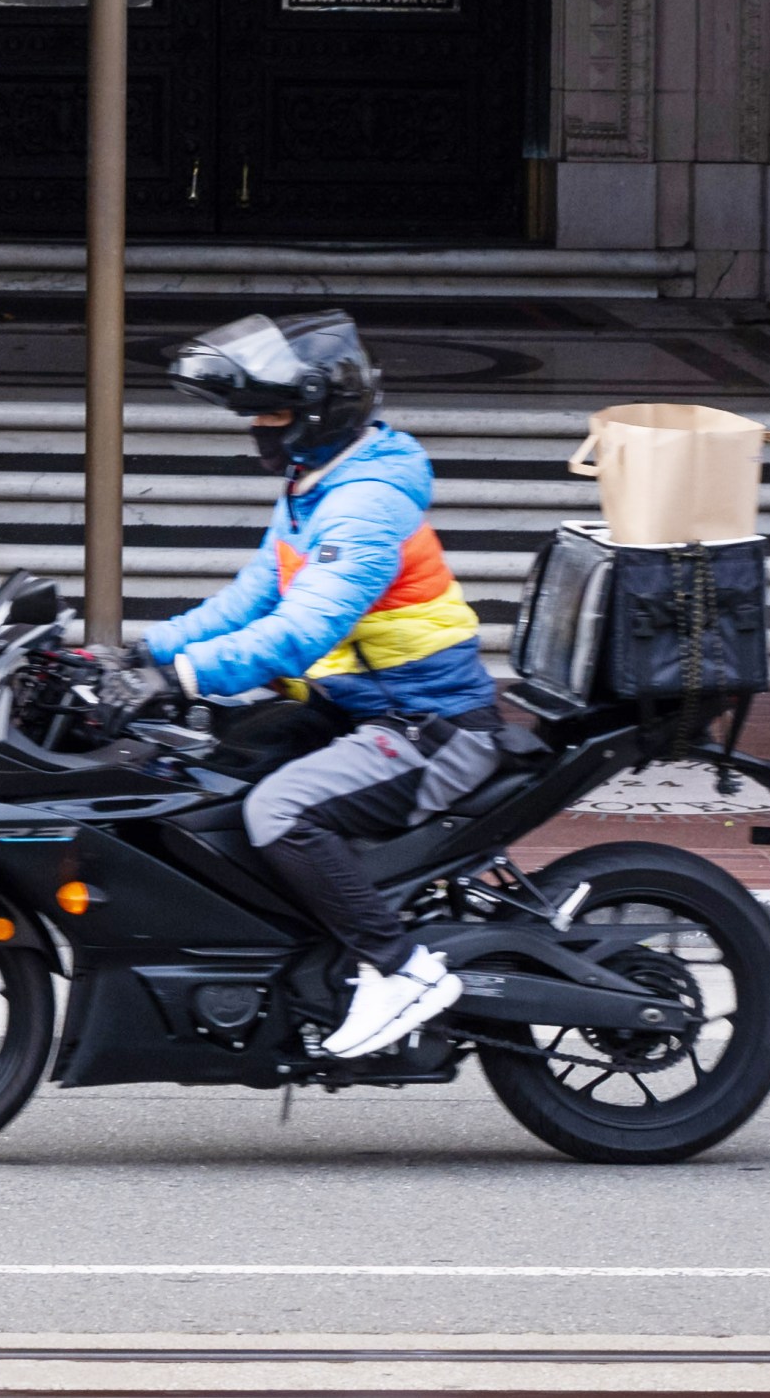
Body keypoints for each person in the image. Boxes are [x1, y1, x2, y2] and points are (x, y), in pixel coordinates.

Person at [137, 308, 498, 1064]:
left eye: (270, 412)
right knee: (210, 767)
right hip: (356, 710)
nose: (258, 429)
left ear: (314, 414)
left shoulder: (365, 504)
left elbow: (301, 630)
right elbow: (250, 598)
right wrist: (139, 650)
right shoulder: (315, 484)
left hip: (430, 728)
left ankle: (402, 970)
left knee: (280, 809)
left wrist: (185, 674)